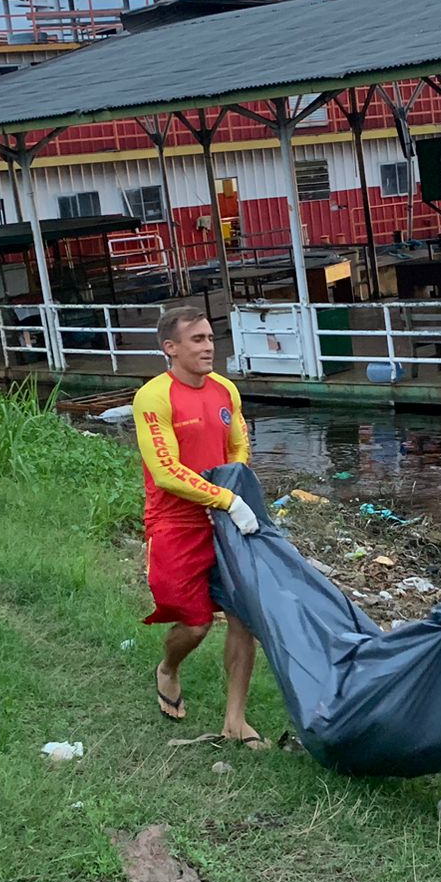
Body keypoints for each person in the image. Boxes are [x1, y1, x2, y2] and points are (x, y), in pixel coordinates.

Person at [132, 306, 267, 747]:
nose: (209, 347)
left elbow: (238, 446)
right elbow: (167, 470)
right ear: (170, 348)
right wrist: (223, 498)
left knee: (241, 618)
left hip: (225, 517)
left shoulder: (226, 389)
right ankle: (168, 668)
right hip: (176, 520)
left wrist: (234, 493)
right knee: (194, 625)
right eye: (197, 340)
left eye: (210, 338)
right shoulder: (154, 397)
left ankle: (235, 721)